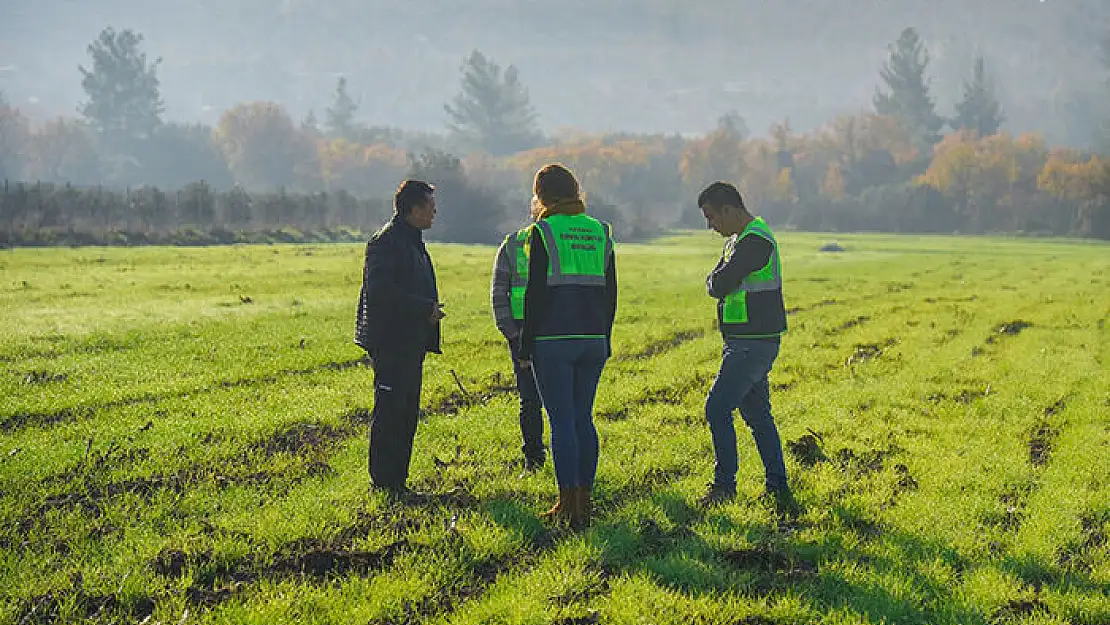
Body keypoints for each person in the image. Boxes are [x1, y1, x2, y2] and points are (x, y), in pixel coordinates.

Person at [517, 163, 617, 530]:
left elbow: (535, 294)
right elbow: (611, 294)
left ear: (541, 196)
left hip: (553, 340)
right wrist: (604, 337)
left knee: (560, 422)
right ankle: (585, 502)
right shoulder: (600, 231)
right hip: (593, 340)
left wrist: (525, 346)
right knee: (582, 419)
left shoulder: (542, 231)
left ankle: (568, 503)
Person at [696, 181, 795, 511]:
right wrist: (717, 279)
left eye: (711, 217)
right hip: (746, 341)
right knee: (757, 415)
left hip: (752, 344)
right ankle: (778, 487)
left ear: (729, 210)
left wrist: (717, 279)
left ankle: (725, 487)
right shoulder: (738, 242)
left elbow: (719, 282)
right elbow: (718, 280)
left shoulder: (755, 241)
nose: (710, 225)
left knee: (717, 408)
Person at [354, 179, 445, 500]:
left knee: (406, 413)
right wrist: (424, 309)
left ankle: (398, 482)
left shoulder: (412, 240)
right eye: (431, 207)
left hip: (411, 343)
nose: (435, 212)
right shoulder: (386, 242)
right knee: (390, 412)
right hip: (391, 343)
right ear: (414, 209)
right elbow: (379, 292)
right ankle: (383, 483)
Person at [490, 198, 547, 473]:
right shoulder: (513, 244)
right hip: (524, 333)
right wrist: (513, 336)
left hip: (552, 332)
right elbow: (499, 293)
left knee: (540, 401)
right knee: (530, 401)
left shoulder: (556, 244)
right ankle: (534, 459)